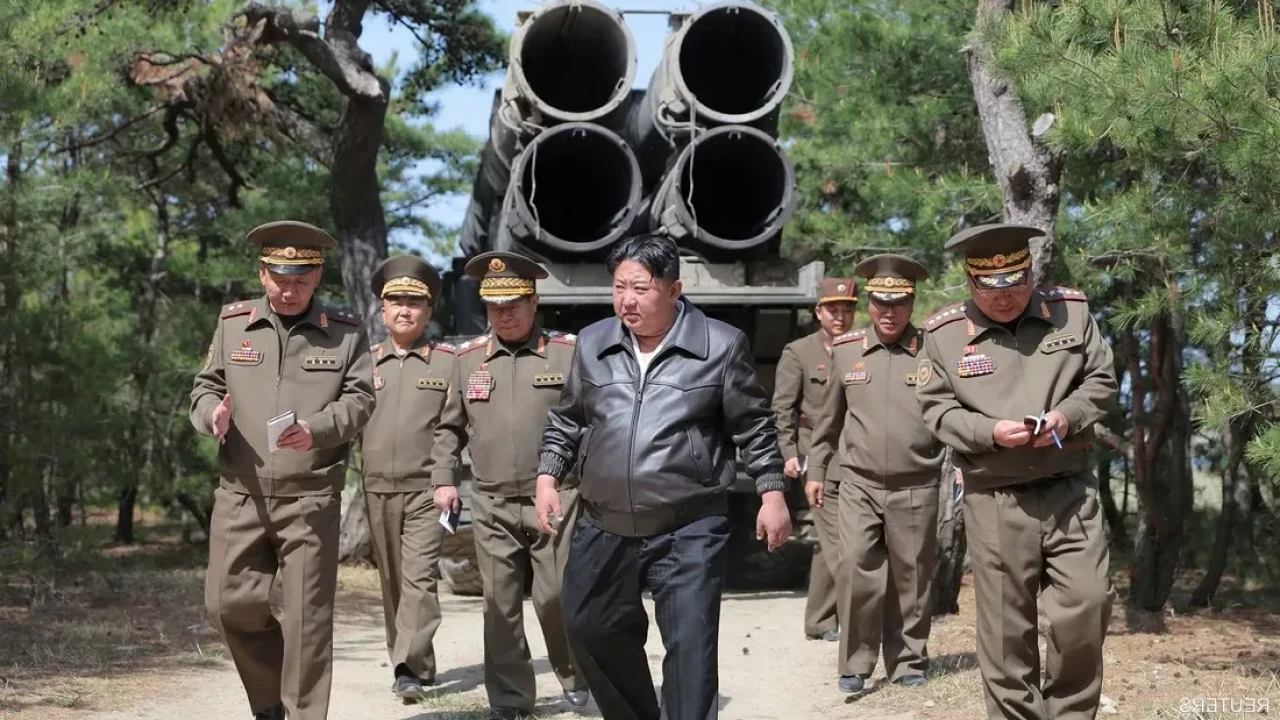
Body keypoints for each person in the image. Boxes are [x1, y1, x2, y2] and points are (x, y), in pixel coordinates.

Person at [536, 233, 792, 720]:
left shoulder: (720, 345)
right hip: (604, 522)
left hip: (688, 525)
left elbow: (754, 425)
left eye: (640, 288)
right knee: (589, 626)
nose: (626, 300)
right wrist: (548, 476)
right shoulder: (593, 342)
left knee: (691, 650)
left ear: (674, 290)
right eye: (619, 288)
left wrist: (771, 492)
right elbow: (568, 419)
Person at [915, 224, 1118, 720]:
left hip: (1069, 490)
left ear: (1030, 274)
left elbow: (1101, 379)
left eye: (1015, 283)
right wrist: (989, 431)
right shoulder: (943, 334)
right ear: (970, 282)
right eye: (990, 287)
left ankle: (1070, 713)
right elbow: (936, 409)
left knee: (1088, 604)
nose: (1004, 297)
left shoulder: (1071, 311)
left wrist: (1066, 416)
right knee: (1007, 630)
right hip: (996, 497)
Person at [189, 220, 375, 720]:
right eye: (279, 279)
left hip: (310, 494)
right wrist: (211, 415)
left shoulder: (345, 333)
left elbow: (361, 400)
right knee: (227, 605)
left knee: (307, 621)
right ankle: (270, 701)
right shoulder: (234, 324)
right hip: (240, 491)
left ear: (317, 278)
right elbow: (205, 386)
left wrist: (317, 428)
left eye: (300, 281)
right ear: (262, 274)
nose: (289, 291)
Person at [430, 251, 589, 720]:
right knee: (499, 602)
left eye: (513, 305)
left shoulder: (567, 353)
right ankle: (510, 698)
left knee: (555, 594)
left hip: (555, 496)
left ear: (534, 302)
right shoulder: (467, 360)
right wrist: (443, 480)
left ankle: (575, 674)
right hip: (492, 500)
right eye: (494, 306)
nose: (504, 314)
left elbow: (592, 420)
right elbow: (448, 428)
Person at [809, 254, 945, 694]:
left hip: (916, 482)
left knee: (912, 575)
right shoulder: (848, 349)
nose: (889, 313)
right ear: (869, 304)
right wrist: (816, 470)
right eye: (881, 304)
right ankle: (855, 662)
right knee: (854, 566)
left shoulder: (931, 349)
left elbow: (952, 413)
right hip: (859, 482)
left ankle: (907, 661)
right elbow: (828, 419)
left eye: (899, 303)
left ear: (912, 304)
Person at [361, 255, 455, 699]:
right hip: (376, 488)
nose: (404, 310)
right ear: (382, 310)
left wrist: (445, 478)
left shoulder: (449, 363)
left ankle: (406, 668)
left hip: (426, 490)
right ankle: (418, 663)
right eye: (395, 302)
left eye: (414, 303)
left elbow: (454, 426)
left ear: (428, 311)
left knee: (419, 578)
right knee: (394, 583)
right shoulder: (364, 365)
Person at [770, 276, 857, 642]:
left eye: (847, 310)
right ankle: (859, 621)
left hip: (856, 452)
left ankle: (820, 620)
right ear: (818, 312)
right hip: (816, 455)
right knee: (840, 542)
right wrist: (789, 452)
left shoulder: (862, 346)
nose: (840, 317)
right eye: (832, 310)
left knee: (830, 539)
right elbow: (783, 407)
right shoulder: (800, 352)